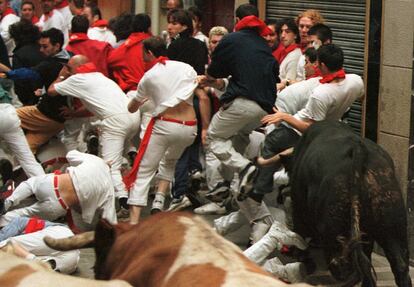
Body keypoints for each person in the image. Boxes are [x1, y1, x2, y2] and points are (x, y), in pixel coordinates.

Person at [229, 44, 364, 245]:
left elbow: (309, 130)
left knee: (270, 146)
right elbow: (359, 97)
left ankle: (258, 186)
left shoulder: (322, 93)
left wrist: (284, 116)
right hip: (330, 129)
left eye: (316, 62)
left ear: (322, 65)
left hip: (297, 131)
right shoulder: (355, 81)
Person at [199, 4, 278, 243]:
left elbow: (215, 70)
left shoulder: (232, 40)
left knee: (214, 138)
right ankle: (258, 217)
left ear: (236, 20)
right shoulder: (264, 46)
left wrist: (211, 78)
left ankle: (245, 168)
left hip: (242, 104)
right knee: (237, 159)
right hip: (262, 111)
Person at [48, 55, 140, 207]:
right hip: (131, 117)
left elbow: (51, 91)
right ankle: (130, 150)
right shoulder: (100, 77)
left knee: (110, 166)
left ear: (77, 68)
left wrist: (62, 75)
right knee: (120, 142)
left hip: (115, 121)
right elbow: (92, 108)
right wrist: (74, 113)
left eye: (70, 68)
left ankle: (123, 200)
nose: (68, 72)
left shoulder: (76, 79)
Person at [125, 36, 198, 224]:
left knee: (144, 171)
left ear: (149, 53)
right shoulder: (186, 68)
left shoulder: (149, 77)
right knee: (171, 161)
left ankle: (133, 222)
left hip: (166, 125)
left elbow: (132, 108)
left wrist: (137, 101)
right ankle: (159, 199)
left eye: (143, 54)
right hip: (190, 129)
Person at [164, 8, 209, 212]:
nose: (169, 26)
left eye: (173, 23)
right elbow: (201, 71)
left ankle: (179, 193)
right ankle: (194, 177)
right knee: (192, 145)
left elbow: (170, 75)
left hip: (179, 100)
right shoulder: (201, 44)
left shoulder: (173, 47)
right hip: (198, 97)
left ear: (183, 25)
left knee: (178, 148)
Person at [0, 150, 117, 228]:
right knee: (24, 214)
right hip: (58, 206)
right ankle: (3, 221)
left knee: (31, 184)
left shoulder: (97, 161)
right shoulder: (109, 191)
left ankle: (8, 201)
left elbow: (71, 154)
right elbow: (111, 220)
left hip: (52, 184)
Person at [1, 28, 71, 153]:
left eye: (45, 47)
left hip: (45, 113)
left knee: (6, 117)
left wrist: (8, 74)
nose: (41, 50)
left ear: (57, 46)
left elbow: (29, 74)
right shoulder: (72, 58)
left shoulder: (50, 64)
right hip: (60, 121)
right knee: (25, 151)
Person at [0, 216, 79, 274]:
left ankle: (36, 261)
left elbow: (5, 243)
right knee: (38, 271)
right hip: (71, 257)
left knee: (7, 245)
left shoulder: (16, 222)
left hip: (58, 235)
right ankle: (37, 262)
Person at [0, 104, 45, 178]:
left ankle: (3, 161)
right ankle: (43, 183)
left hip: (6, 117)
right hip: (8, 117)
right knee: (28, 160)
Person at [9, 19, 45, 106]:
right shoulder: (43, 49)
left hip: (30, 101)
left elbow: (20, 83)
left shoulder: (19, 55)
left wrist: (26, 101)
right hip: (46, 95)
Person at [275, 18, 302, 90]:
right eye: (281, 31)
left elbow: (288, 85)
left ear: (295, 35)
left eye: (287, 32)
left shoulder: (295, 56)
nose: (283, 35)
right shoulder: (285, 52)